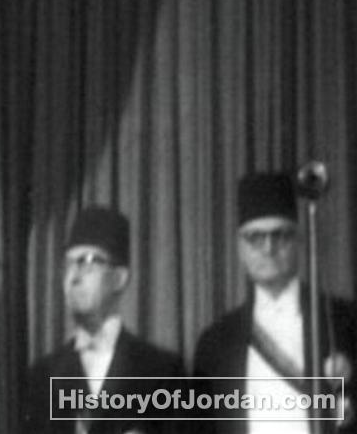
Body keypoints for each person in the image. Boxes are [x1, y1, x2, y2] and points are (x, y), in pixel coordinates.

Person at [193, 172, 357, 434]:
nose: (268, 248)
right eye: (255, 238)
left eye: (280, 235)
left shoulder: (345, 321)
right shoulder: (215, 343)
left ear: (299, 240)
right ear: (240, 247)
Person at [21, 206, 186, 434]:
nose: (73, 277)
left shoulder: (163, 372)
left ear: (119, 278)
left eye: (88, 262)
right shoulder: (41, 377)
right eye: (68, 264)